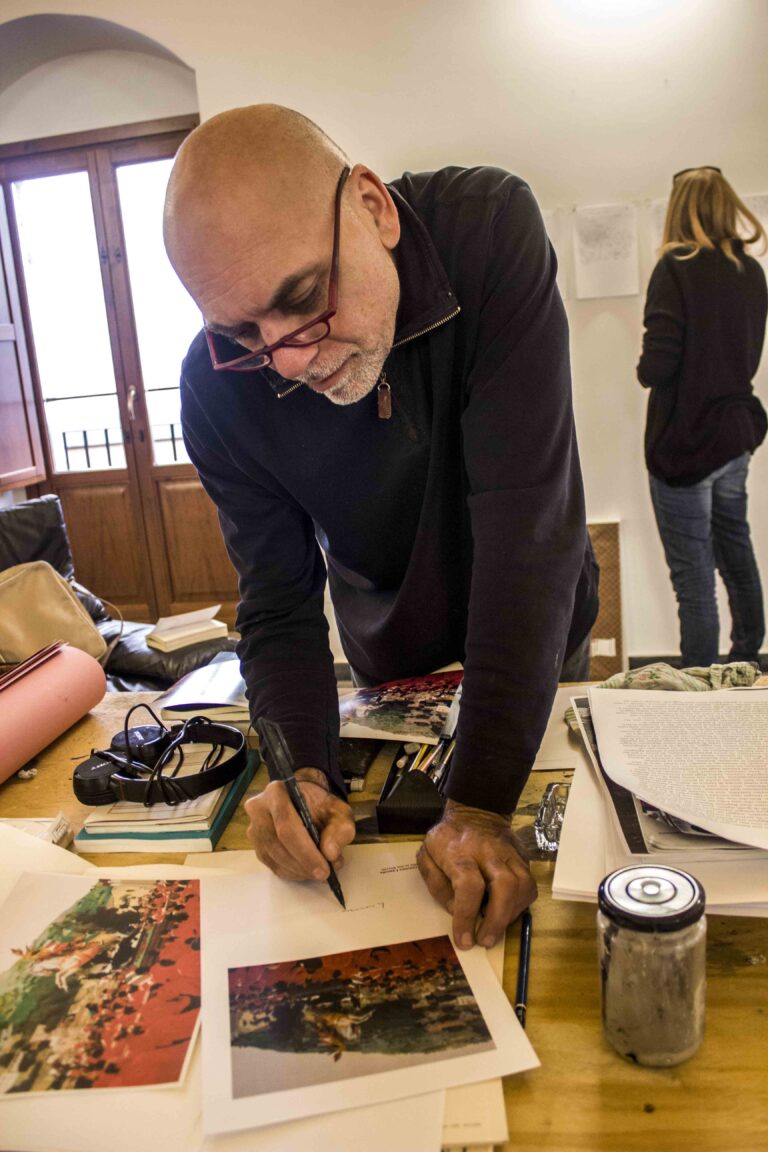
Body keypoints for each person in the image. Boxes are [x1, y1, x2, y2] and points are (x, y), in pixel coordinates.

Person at [163, 105, 598, 949]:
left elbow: (528, 533)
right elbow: (279, 603)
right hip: (391, 648)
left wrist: (477, 805)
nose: (287, 359)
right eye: (242, 332)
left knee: (527, 851)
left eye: (300, 299)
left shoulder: (488, 233)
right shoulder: (217, 389)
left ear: (373, 206)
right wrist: (300, 770)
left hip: (532, 626)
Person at [637, 166, 767, 669]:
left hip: (685, 446)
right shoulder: (749, 269)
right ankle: (749, 664)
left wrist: (644, 365)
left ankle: (698, 694)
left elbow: (657, 366)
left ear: (679, 207)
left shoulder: (675, 267)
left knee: (694, 580)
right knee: (737, 551)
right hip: (736, 435)